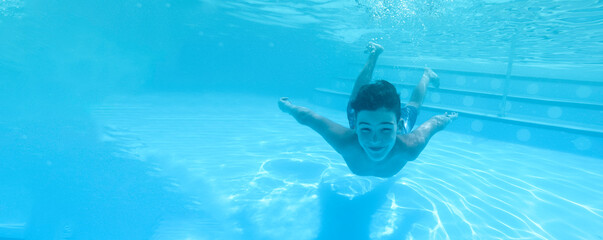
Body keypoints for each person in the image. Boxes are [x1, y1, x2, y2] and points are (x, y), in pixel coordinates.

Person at [278, 42, 457, 178]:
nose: (375, 140)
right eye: (366, 129)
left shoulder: (410, 146)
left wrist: (446, 118)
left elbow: (434, 124)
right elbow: (307, 117)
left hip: (381, 126)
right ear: (355, 125)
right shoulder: (346, 142)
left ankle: (426, 75)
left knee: (413, 106)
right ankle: (374, 53)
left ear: (398, 124)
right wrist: (288, 107)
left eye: (386, 129)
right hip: (370, 121)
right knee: (357, 97)